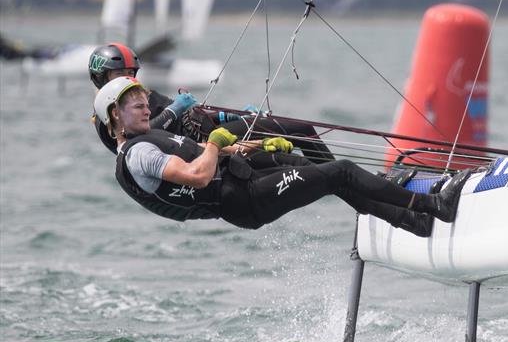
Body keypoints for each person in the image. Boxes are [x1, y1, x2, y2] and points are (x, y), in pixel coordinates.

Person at [95, 77, 471, 237]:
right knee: (339, 171)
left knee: (318, 169)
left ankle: (411, 221)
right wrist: (214, 143)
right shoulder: (139, 153)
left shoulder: (152, 136)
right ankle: (433, 205)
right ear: (115, 114)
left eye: (144, 100)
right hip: (243, 201)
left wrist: (260, 146)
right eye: (134, 104)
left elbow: (213, 155)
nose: (146, 106)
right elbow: (196, 175)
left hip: (243, 179)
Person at [89, 43, 334, 162]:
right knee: (289, 154)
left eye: (131, 72)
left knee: (299, 130)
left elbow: (192, 113)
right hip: (202, 147)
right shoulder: (106, 117)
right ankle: (343, 182)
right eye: (119, 74)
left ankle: (349, 183)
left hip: (210, 130)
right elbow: (140, 139)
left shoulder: (142, 94)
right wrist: (174, 111)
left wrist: (234, 116)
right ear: (101, 78)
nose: (127, 79)